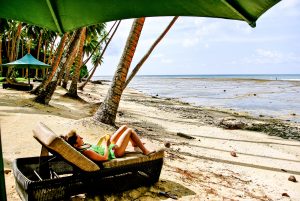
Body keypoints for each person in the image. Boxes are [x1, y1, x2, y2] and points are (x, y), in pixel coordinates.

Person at [63, 125, 154, 161]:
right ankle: (145, 151)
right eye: (79, 138)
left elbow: (97, 148)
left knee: (124, 127)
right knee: (129, 131)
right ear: (75, 144)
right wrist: (106, 145)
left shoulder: (81, 146)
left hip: (110, 148)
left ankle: (134, 143)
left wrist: (104, 140)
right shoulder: (86, 152)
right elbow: (105, 158)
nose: (82, 137)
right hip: (114, 153)